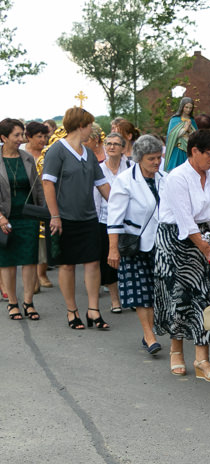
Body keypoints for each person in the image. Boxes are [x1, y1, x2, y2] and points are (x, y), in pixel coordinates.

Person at [154, 130, 210, 379]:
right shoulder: (177, 177)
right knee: (178, 296)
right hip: (175, 239)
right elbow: (185, 221)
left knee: (203, 296)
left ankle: (202, 360)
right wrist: (207, 248)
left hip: (203, 236)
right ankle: (176, 352)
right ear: (194, 151)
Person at [41, 107, 112, 330]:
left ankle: (93, 311)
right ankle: (72, 311)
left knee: (92, 262)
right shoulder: (57, 151)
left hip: (89, 216)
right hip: (64, 218)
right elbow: (47, 183)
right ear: (80, 126)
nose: (91, 130)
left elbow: (102, 185)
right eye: (89, 125)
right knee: (67, 265)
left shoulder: (89, 154)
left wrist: (121, 207)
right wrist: (55, 215)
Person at [106, 135, 165, 353]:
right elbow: (114, 218)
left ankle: (149, 333)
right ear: (140, 158)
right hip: (134, 245)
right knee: (141, 293)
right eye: (152, 159)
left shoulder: (164, 178)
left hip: (160, 245)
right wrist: (113, 249)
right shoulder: (125, 181)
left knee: (155, 292)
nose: (157, 162)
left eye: (159, 157)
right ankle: (149, 336)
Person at [0, 118, 45, 321]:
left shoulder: (27, 158)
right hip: (5, 219)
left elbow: (37, 188)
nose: (21, 138)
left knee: (29, 261)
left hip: (28, 217)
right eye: (16, 135)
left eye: (22, 134)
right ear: (3, 137)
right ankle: (12, 303)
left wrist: (44, 212)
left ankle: (28, 302)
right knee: (7, 262)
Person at [97, 132, 132, 313]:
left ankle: (132, 297)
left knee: (129, 258)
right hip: (106, 219)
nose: (111, 147)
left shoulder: (132, 167)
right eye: (108, 144)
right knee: (109, 260)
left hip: (129, 220)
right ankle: (114, 299)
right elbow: (96, 198)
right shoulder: (99, 169)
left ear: (123, 148)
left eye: (116, 144)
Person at [23, 121, 52, 290]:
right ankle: (32, 278)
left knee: (43, 239)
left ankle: (42, 274)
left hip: (44, 198)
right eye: (39, 136)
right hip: (27, 200)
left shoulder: (48, 153)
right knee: (29, 240)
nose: (42, 140)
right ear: (29, 137)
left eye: (45, 136)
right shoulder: (22, 153)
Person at [165, 98, 197, 172]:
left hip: (189, 149)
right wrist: (185, 129)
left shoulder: (192, 120)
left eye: (190, 108)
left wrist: (190, 131)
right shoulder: (175, 119)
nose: (188, 110)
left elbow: (196, 136)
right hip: (178, 149)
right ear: (182, 107)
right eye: (186, 107)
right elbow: (171, 135)